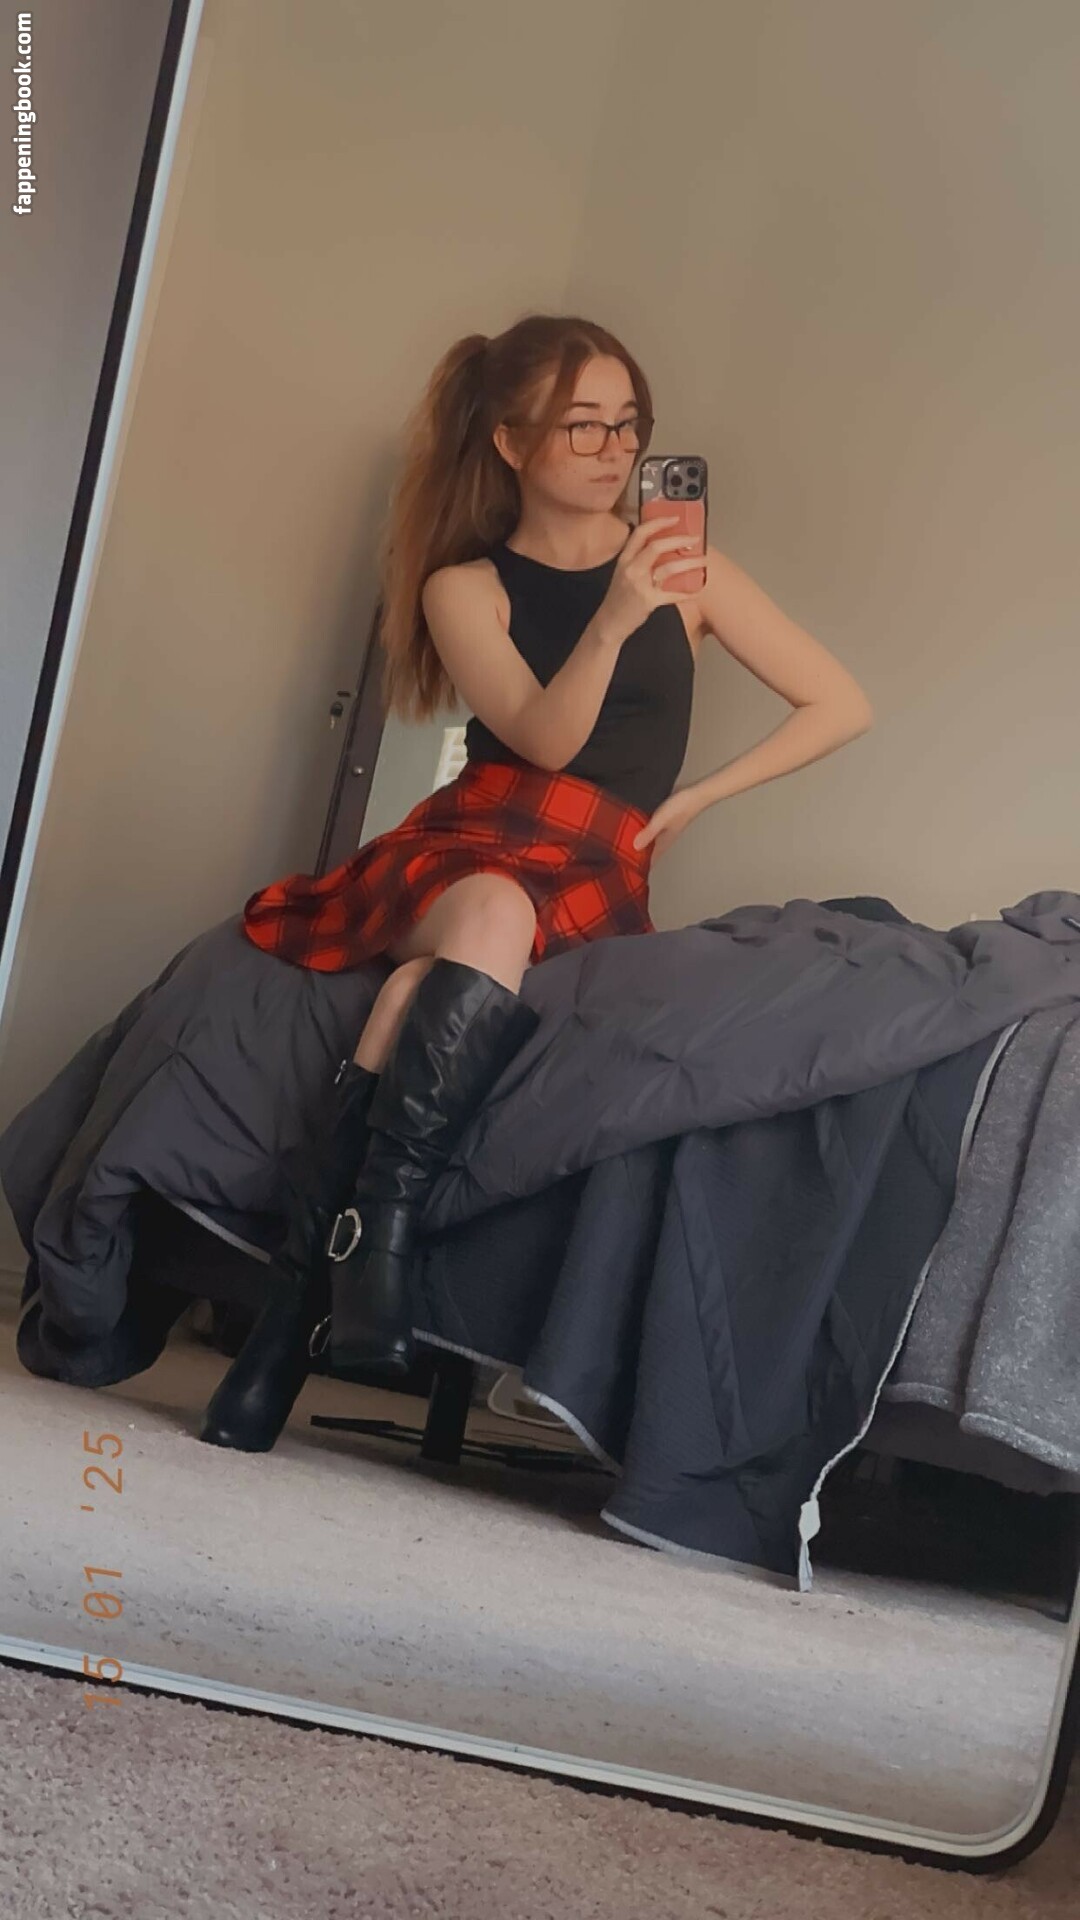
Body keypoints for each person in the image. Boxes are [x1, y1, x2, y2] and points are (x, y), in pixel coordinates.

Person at [200, 312, 873, 1453]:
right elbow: (547, 742)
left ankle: (295, 1313)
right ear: (512, 445)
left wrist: (696, 799)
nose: (616, 450)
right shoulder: (464, 587)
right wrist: (615, 618)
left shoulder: (690, 572)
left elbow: (840, 702)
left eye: (629, 424)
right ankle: (378, 1253)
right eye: (583, 427)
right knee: (495, 910)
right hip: (478, 838)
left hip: (600, 863)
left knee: (416, 993)